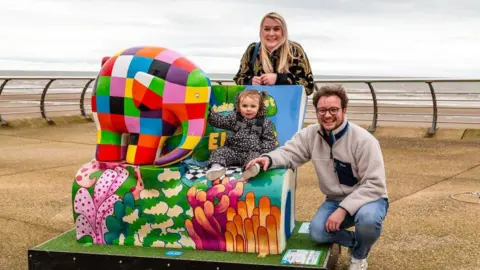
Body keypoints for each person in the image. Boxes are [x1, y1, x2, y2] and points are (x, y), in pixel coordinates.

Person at [245, 85, 389, 270]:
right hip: (335, 199)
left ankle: (359, 256)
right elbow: (289, 153)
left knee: (368, 221)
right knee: (317, 233)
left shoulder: (364, 140)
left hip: (369, 199)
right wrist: (268, 159)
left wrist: (343, 209)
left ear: (344, 110)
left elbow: (374, 184)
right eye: (322, 110)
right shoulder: (310, 134)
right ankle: (357, 243)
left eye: (333, 110)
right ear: (317, 111)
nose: (327, 115)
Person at [233, 12, 316, 96]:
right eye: (267, 29)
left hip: (288, 106)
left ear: (283, 31)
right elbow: (239, 78)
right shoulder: (253, 49)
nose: (271, 34)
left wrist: (278, 79)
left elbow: (308, 86)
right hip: (258, 107)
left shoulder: (295, 50)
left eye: (276, 29)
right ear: (261, 31)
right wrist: (251, 81)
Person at [205, 89, 277, 182]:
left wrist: (264, 153)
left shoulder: (264, 122)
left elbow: (268, 140)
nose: (248, 109)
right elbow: (221, 122)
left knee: (255, 158)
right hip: (233, 150)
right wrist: (209, 114)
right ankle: (216, 168)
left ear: (259, 107)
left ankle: (250, 170)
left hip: (251, 152)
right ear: (238, 106)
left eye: (253, 106)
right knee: (219, 151)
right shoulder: (235, 117)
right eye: (244, 105)